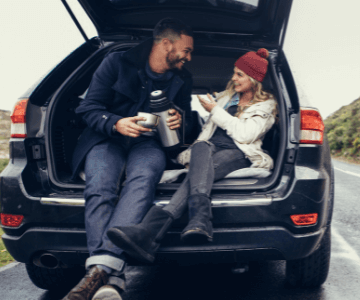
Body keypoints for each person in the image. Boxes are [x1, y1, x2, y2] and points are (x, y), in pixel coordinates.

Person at [63, 18, 194, 300]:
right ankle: (113, 276)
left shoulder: (183, 79)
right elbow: (88, 108)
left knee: (143, 180)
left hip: (150, 144)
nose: (189, 57)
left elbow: (189, 125)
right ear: (166, 44)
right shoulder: (115, 62)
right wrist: (115, 123)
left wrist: (180, 120)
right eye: (187, 50)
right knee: (99, 187)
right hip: (105, 138)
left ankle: (98, 271)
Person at [106, 48, 277, 264]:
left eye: (239, 74)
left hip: (239, 153)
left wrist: (215, 110)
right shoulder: (226, 98)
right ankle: (199, 218)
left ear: (254, 79)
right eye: (234, 73)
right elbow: (205, 134)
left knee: (195, 174)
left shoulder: (266, 105)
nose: (233, 78)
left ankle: (150, 232)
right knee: (201, 148)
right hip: (207, 150)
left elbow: (245, 135)